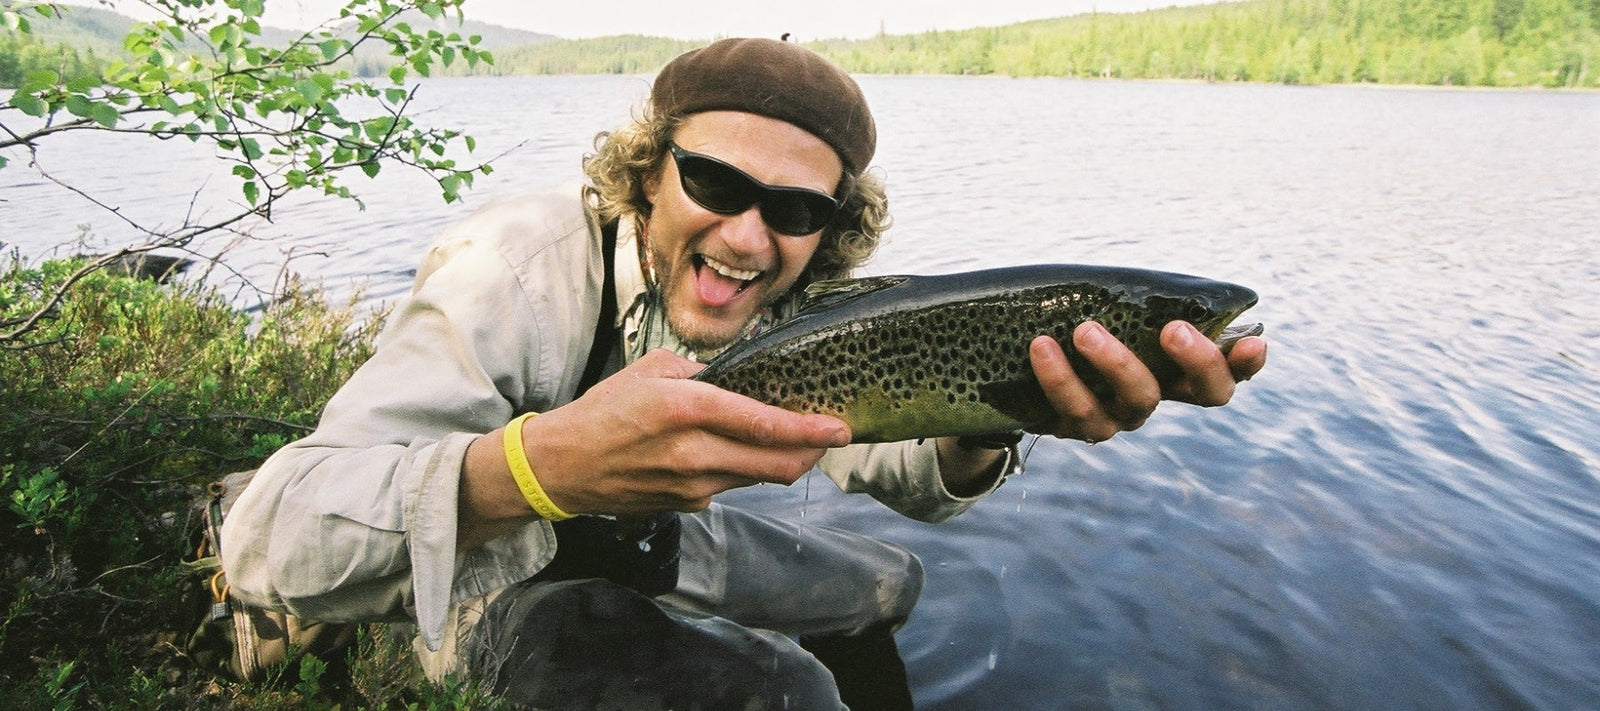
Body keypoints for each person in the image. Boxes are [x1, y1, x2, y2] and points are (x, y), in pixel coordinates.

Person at [221, 38, 1267, 710]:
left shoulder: (797, 303)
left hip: (639, 535)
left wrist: (997, 413)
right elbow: (271, 539)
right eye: (715, 181)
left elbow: (893, 461)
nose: (750, 234)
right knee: (783, 695)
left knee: (888, 584)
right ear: (645, 172)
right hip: (481, 570)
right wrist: (542, 471)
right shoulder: (516, 266)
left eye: (797, 210)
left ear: (829, 226)